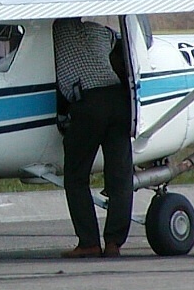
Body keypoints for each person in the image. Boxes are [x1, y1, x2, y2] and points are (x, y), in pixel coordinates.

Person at [52, 18, 134, 258]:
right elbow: (115, 44)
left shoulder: (53, 32)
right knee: (120, 176)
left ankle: (88, 242)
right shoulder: (99, 31)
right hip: (119, 100)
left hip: (88, 104)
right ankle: (114, 243)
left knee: (76, 177)